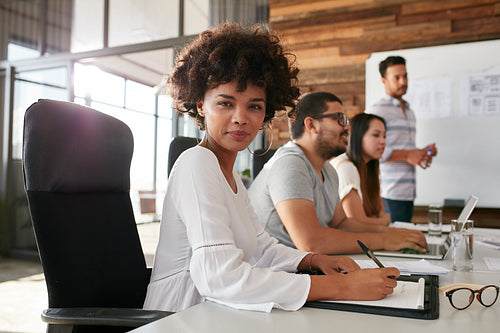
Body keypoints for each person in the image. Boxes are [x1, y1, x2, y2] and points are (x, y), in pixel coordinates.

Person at [143, 23, 400, 314]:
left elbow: (261, 249)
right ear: (201, 105)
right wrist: (343, 287)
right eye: (226, 103)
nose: (241, 118)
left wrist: (313, 261)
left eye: (254, 106)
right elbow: (219, 277)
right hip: (180, 317)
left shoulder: (234, 179)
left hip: (219, 312)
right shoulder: (196, 162)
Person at [248, 92, 428, 255]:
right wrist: (385, 240)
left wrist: (395, 233)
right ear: (311, 125)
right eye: (339, 119)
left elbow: (342, 223)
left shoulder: (328, 170)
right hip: (272, 275)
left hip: (300, 269)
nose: (348, 128)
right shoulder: (290, 164)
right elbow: (311, 243)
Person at [365, 56, 437, 223]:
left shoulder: (410, 111)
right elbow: (369, 149)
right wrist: (407, 155)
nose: (403, 81)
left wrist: (423, 152)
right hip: (388, 194)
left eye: (405, 76)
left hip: (408, 192)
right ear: (384, 80)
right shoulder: (377, 110)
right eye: (396, 77)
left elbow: (405, 149)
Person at [330, 113, 391, 226]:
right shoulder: (346, 167)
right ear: (357, 136)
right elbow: (357, 223)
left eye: (384, 136)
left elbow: (379, 212)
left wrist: (381, 220)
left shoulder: (369, 167)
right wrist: (385, 221)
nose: (383, 141)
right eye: (376, 135)